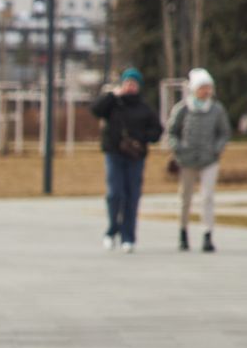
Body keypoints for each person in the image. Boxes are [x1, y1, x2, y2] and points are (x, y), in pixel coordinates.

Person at [91, 67, 164, 254]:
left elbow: (157, 131)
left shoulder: (144, 108)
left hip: (135, 157)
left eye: (134, 83)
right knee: (115, 194)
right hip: (114, 154)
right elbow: (96, 110)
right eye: (127, 83)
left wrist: (141, 138)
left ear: (138, 86)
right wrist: (112, 96)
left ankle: (128, 236)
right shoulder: (114, 103)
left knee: (132, 196)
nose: (130, 87)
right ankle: (112, 229)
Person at [167, 68, 230, 253]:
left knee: (207, 197)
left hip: (209, 159)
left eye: (209, 87)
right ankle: (183, 231)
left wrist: (216, 150)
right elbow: (172, 132)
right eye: (203, 87)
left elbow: (224, 133)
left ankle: (207, 233)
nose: (207, 91)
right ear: (195, 89)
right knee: (185, 198)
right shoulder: (183, 109)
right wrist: (178, 149)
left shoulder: (217, 110)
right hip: (187, 160)